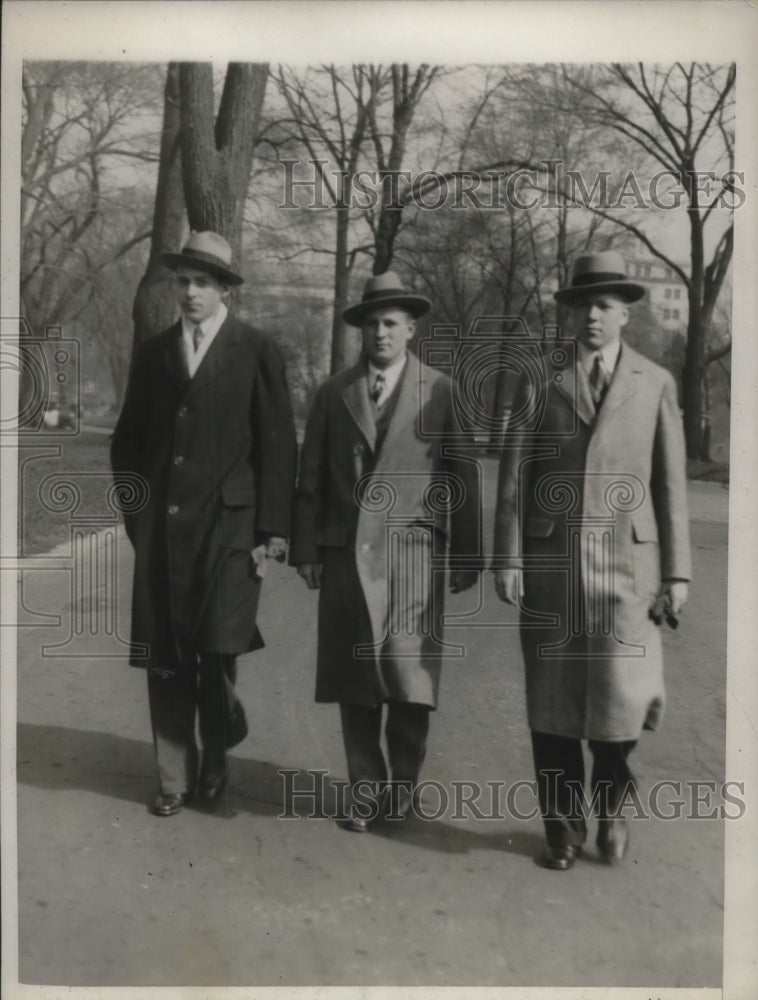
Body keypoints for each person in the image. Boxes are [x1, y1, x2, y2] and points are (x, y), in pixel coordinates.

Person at [492, 249, 691, 869]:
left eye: (605, 305)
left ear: (626, 312)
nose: (592, 317)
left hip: (629, 569)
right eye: (583, 305)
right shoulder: (539, 376)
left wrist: (679, 571)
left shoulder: (654, 382)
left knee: (620, 699)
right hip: (551, 564)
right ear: (570, 312)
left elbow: (671, 484)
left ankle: (612, 804)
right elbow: (514, 474)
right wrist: (508, 557)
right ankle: (562, 831)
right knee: (550, 702)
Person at [111, 231, 297, 817]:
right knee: (166, 652)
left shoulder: (255, 349)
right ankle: (172, 776)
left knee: (218, 649)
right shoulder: (156, 353)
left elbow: (276, 445)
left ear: (224, 290)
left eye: (202, 282)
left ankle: (216, 755)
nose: (190, 292)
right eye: (183, 281)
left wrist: (273, 530)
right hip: (163, 529)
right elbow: (127, 446)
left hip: (230, 528)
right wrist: (138, 517)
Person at [291, 271, 482, 831]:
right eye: (372, 322)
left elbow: (462, 472)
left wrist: (468, 554)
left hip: (414, 555)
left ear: (411, 329)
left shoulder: (441, 390)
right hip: (348, 554)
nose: (381, 332)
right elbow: (310, 478)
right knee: (356, 677)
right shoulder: (333, 393)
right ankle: (365, 791)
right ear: (361, 330)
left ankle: (403, 785)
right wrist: (306, 548)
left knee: (408, 673)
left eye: (391, 322)